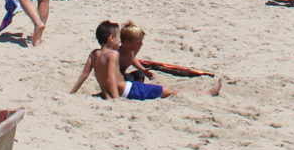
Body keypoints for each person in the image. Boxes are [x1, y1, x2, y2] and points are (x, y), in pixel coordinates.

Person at [72, 20, 221, 100]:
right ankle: (205, 94)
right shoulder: (113, 55)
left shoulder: (94, 54)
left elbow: (84, 75)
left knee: (153, 85)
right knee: (168, 91)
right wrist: (116, 100)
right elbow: (111, 78)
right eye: (118, 37)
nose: (120, 41)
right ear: (111, 38)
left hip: (114, 91)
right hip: (126, 90)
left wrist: (72, 92)